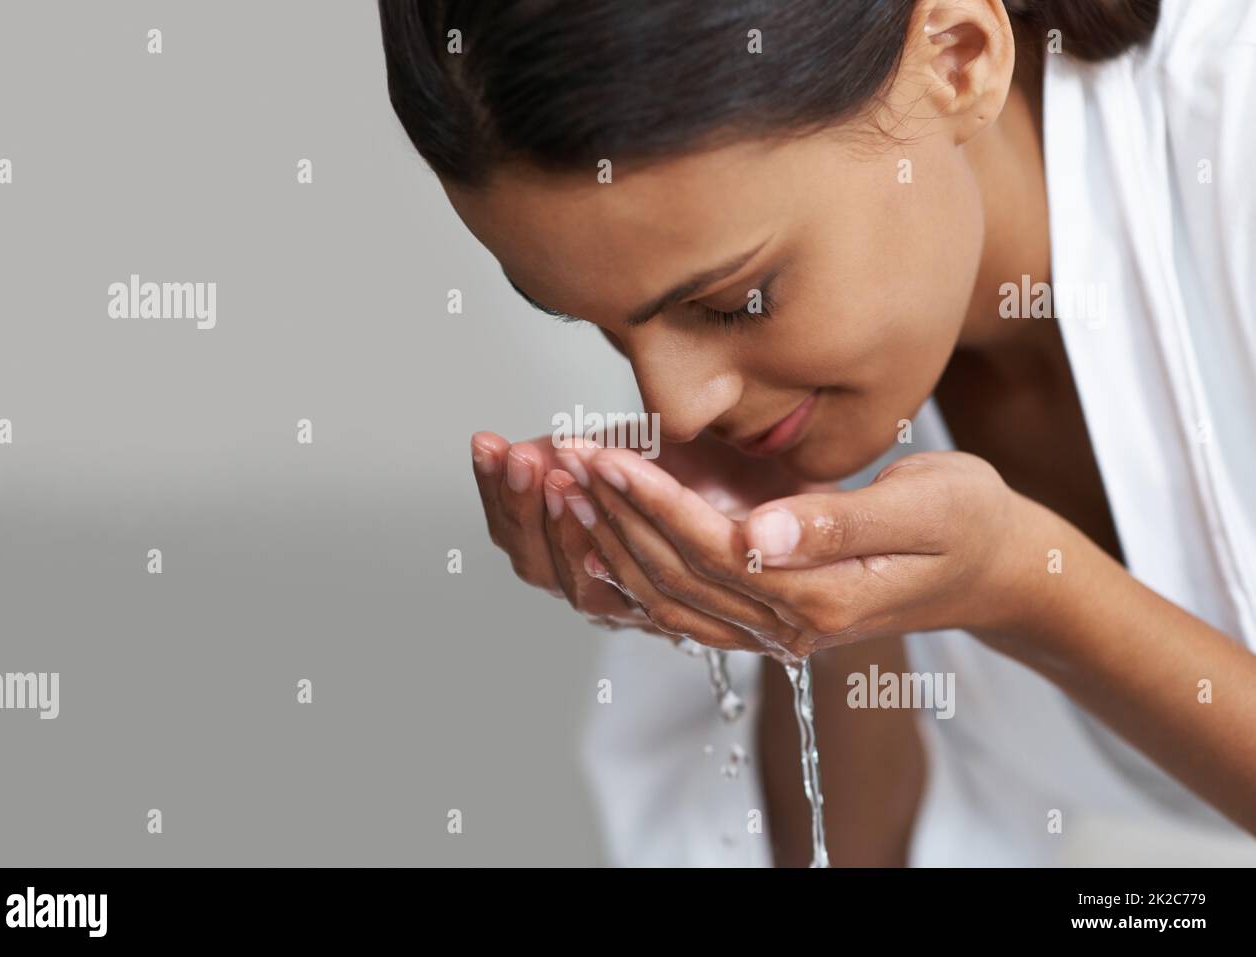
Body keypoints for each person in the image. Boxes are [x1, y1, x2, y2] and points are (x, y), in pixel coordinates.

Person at [377, 0, 1256, 865]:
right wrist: (816, 607)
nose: (676, 408)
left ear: (957, 58)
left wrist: (1022, 586)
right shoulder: (791, 413)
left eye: (731, 301)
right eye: (601, 325)